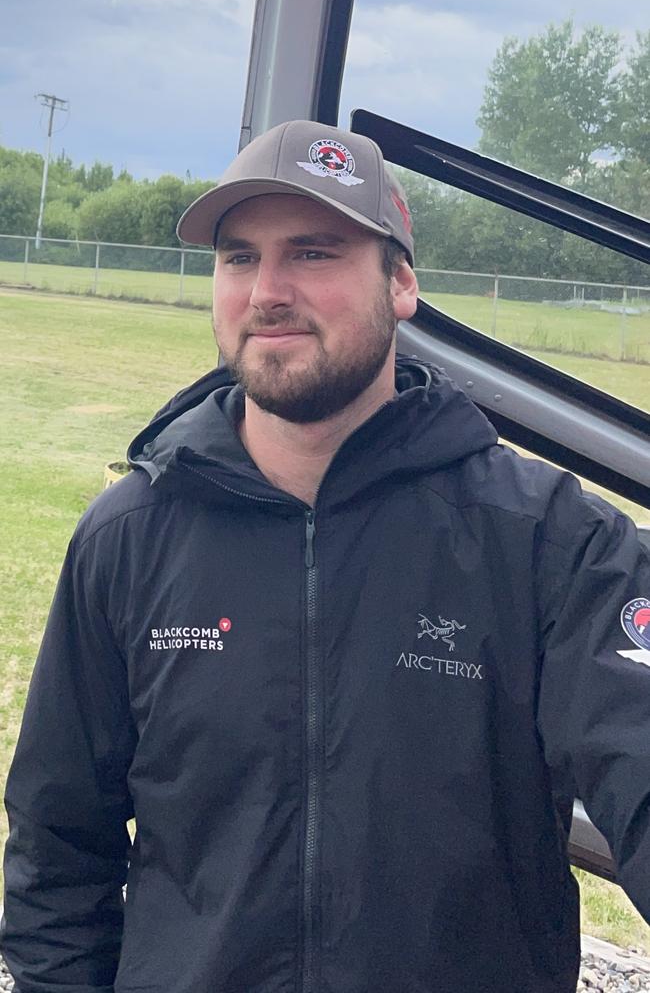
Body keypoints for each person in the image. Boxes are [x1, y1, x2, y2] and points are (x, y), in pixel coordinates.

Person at [2, 119, 649, 993]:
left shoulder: (552, 542)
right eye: (239, 257)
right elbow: (55, 846)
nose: (267, 290)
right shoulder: (126, 539)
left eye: (313, 253)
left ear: (403, 283)